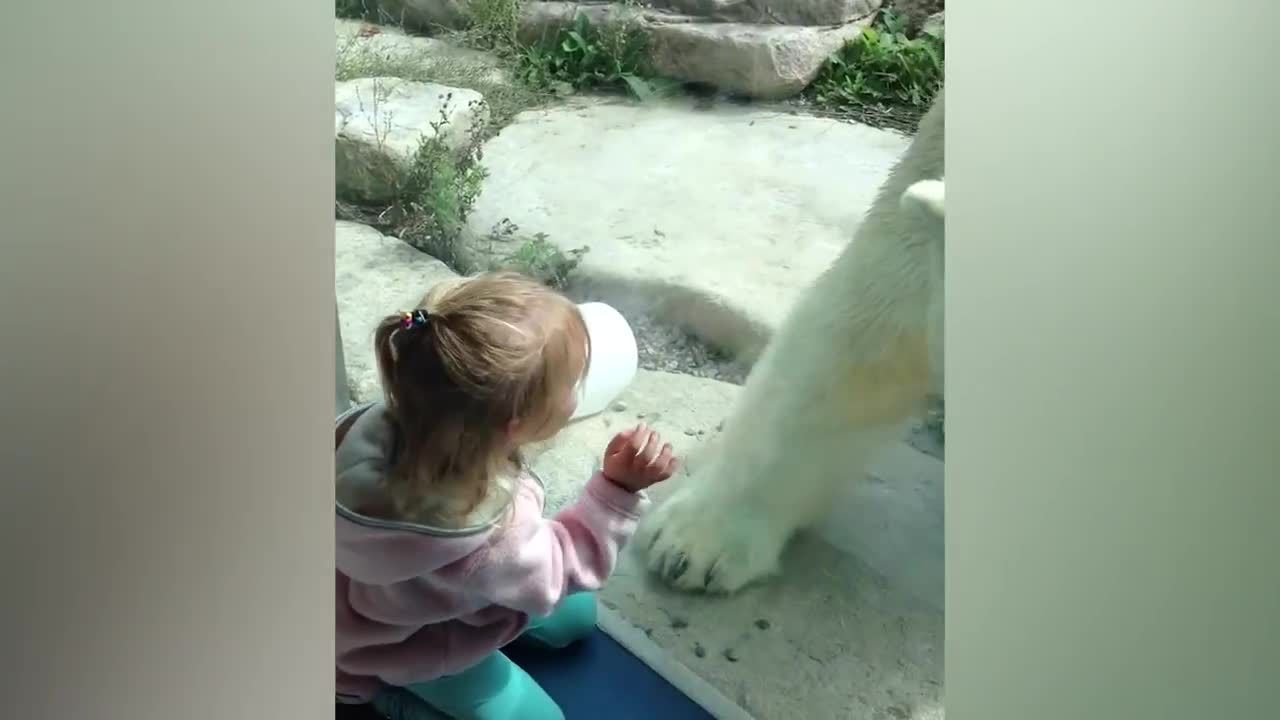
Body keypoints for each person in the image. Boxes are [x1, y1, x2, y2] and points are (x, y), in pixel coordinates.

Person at [335, 272, 679, 720]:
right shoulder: (493, 536)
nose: (578, 394)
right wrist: (617, 490)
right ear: (512, 426)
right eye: (572, 385)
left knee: (575, 618)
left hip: (382, 599)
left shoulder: (399, 423)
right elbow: (561, 569)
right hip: (401, 649)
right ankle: (384, 695)